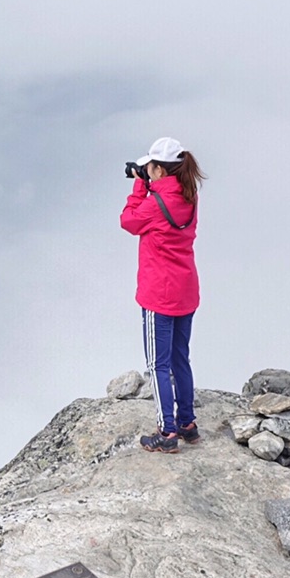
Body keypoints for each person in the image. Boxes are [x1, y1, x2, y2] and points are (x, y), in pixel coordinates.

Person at [120, 136, 205, 454]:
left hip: (160, 294)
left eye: (150, 166)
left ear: (158, 169)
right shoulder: (190, 195)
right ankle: (187, 424)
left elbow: (128, 221)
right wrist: (149, 180)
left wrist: (138, 186)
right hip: (186, 288)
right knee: (181, 358)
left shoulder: (155, 203)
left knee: (158, 363)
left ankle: (167, 432)